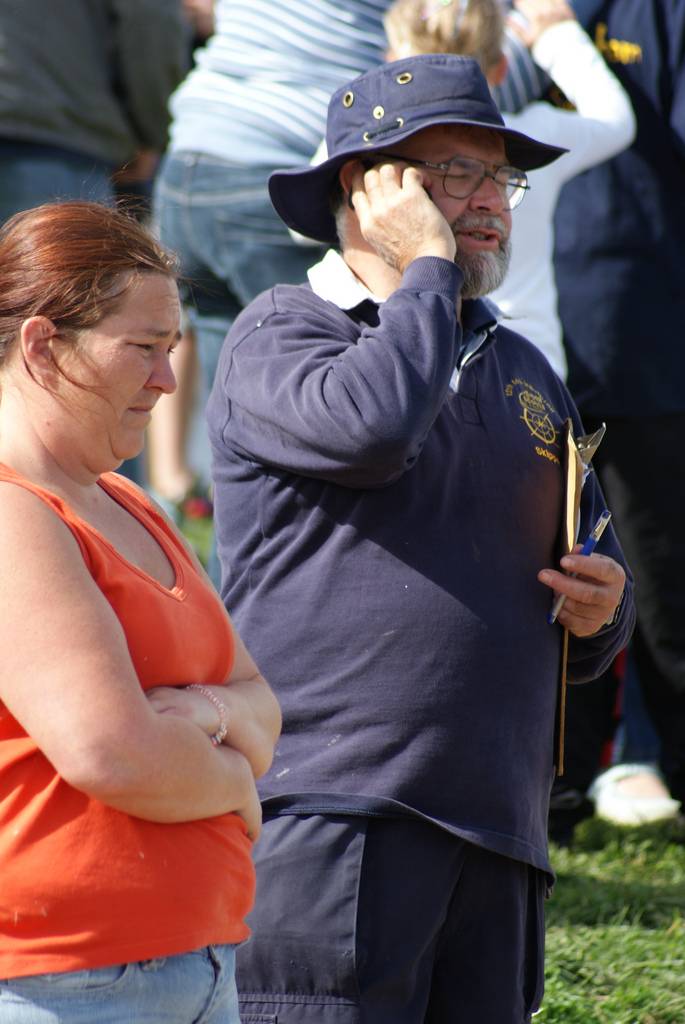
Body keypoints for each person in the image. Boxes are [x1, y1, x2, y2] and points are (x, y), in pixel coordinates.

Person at [207, 54, 634, 1022]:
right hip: (334, 814)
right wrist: (429, 268)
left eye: (502, 178)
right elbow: (373, 429)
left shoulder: (524, 368)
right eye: (456, 175)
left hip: (500, 833)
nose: (490, 202)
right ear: (371, 189)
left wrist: (604, 606)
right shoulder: (282, 332)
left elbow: (595, 594)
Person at [0, 201, 281, 1022]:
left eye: (173, 350)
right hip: (64, 983)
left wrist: (199, 714)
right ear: (43, 346)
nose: (167, 380)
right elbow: (113, 754)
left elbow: (263, 704)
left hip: (187, 966)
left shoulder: (127, 498)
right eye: (144, 349)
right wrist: (233, 777)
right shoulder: (14, 514)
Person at [548, 0, 685, 824]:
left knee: (654, 564)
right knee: (546, 555)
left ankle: (656, 760)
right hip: (527, 323)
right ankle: (557, 775)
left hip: (637, 323)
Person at [383, 0, 635, 379]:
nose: (486, 197)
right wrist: (557, 36)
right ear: (501, 68)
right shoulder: (536, 135)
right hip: (533, 373)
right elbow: (616, 121)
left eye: (499, 175)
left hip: (420, 364)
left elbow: (302, 223)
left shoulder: (378, 155)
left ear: (392, 62)